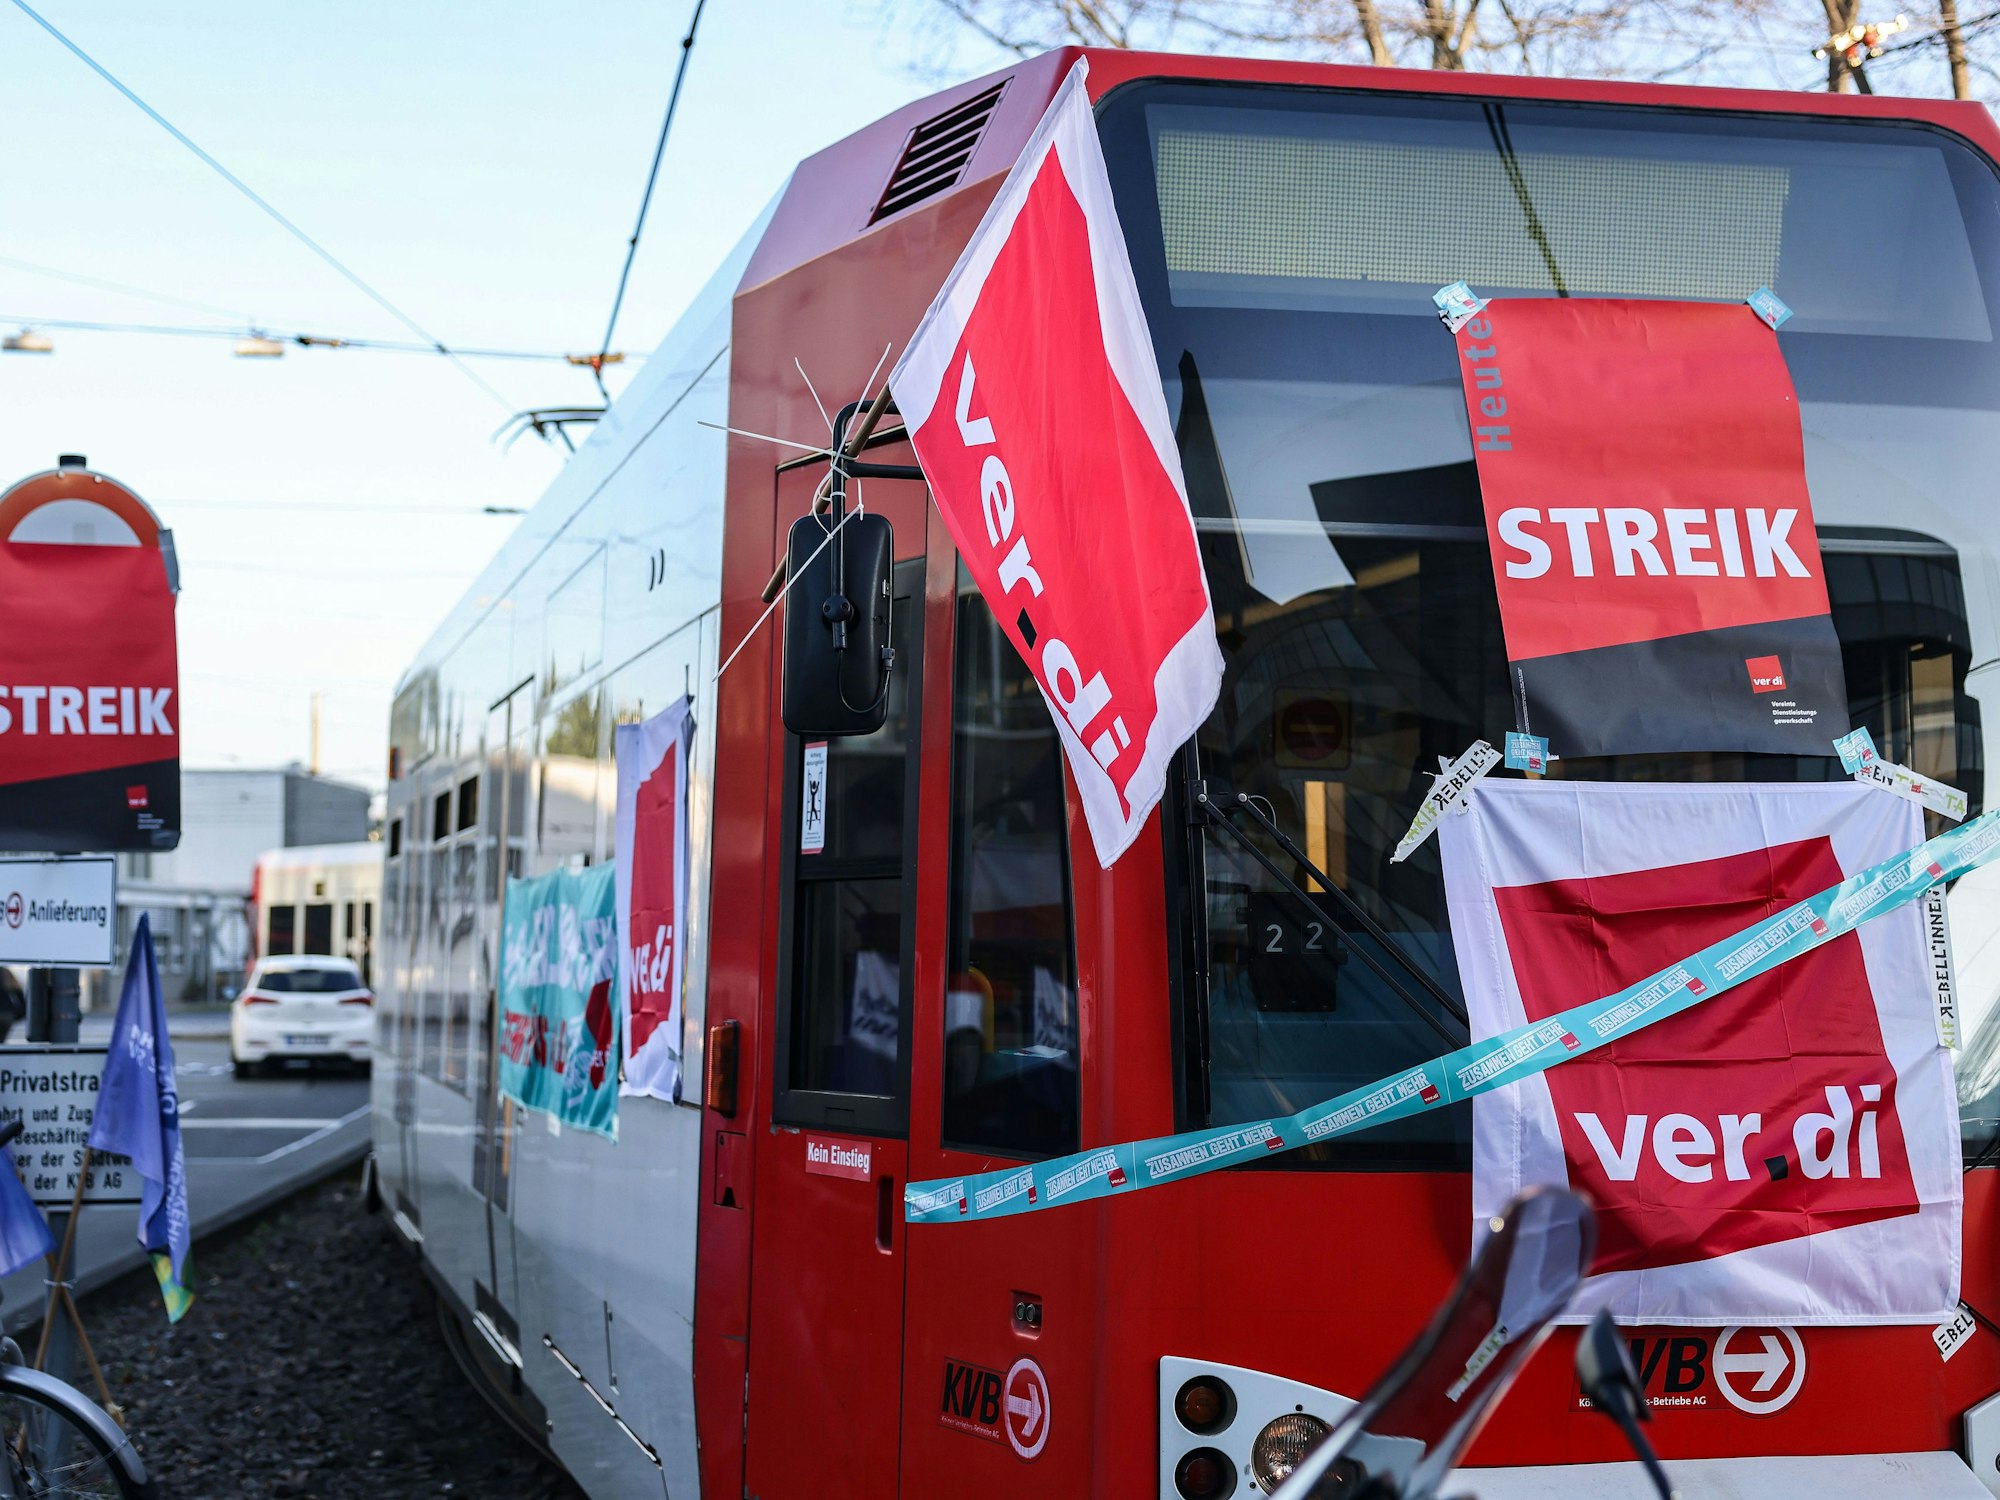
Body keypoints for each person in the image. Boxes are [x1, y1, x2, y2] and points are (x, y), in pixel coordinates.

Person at [0, 968, 25, 1044]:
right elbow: (19, 995)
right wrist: (17, 1015)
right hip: (7, 1015)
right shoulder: (5, 972)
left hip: (6, 1015)